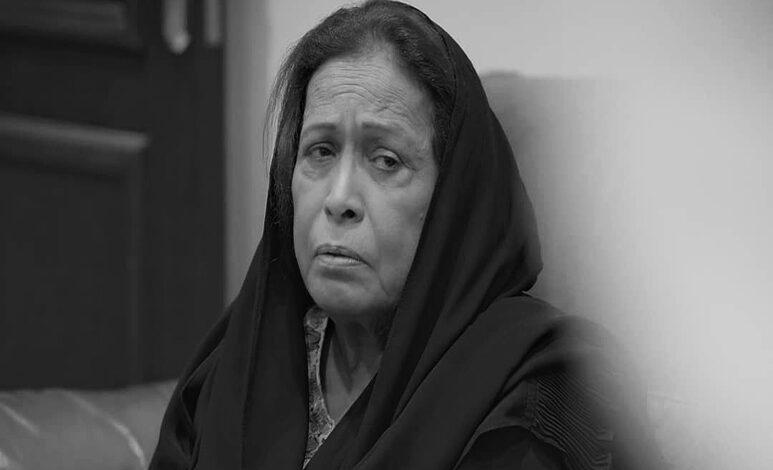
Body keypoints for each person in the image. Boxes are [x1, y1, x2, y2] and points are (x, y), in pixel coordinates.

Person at [150, 1, 663, 468]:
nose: (339, 199)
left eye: (386, 161)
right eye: (320, 151)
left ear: (452, 200)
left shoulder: (540, 390)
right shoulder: (235, 367)